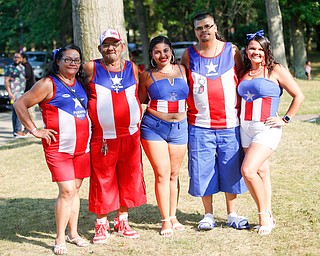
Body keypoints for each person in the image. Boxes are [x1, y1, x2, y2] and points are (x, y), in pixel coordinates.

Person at [14, 45, 91, 254]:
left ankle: (73, 234)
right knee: (66, 191)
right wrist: (34, 130)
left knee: (75, 191)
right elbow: (20, 104)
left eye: (76, 59)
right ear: (58, 61)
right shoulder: (48, 83)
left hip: (82, 147)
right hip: (59, 148)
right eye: (68, 59)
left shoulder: (80, 82)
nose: (73, 63)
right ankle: (59, 238)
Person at [181, 12, 249, 231]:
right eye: (199, 28)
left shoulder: (232, 51)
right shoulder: (189, 55)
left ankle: (232, 213)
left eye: (207, 26)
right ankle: (208, 214)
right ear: (195, 31)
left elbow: (241, 77)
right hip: (200, 124)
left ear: (216, 27)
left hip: (230, 123)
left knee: (231, 168)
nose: (204, 31)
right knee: (203, 169)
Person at [238, 30, 304, 235]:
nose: (256, 52)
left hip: (266, 129)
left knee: (248, 170)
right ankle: (269, 214)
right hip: (245, 128)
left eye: (260, 49)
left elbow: (298, 96)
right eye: (252, 48)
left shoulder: (275, 70)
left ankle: (263, 216)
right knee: (262, 172)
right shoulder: (245, 72)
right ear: (246, 51)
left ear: (267, 51)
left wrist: (285, 119)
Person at [84, 29, 146, 243]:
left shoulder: (132, 68)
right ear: (100, 48)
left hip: (130, 135)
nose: (111, 48)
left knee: (127, 178)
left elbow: (137, 96)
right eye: (106, 44)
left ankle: (122, 220)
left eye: (115, 43)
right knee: (103, 179)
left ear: (122, 46)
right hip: (103, 138)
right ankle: (101, 224)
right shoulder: (91, 67)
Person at [139, 35, 189, 237]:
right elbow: (141, 99)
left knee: (173, 174)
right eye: (157, 51)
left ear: (171, 51)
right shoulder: (147, 75)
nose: (162, 55)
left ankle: (173, 215)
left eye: (166, 50)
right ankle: (165, 219)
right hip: (154, 127)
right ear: (151, 54)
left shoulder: (183, 70)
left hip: (179, 127)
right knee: (162, 173)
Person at [4, 51, 27, 138]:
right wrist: (10, 93)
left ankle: (17, 131)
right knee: (18, 111)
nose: (16, 59)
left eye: (18, 57)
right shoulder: (10, 67)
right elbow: (6, 81)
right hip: (14, 92)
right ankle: (17, 131)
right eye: (15, 57)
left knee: (18, 111)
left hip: (22, 92)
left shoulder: (22, 67)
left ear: (21, 59)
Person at [21, 52, 37, 128]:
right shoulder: (23, 66)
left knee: (30, 110)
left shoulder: (26, 66)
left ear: (24, 58)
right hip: (27, 91)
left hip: (29, 90)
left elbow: (27, 76)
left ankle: (30, 128)